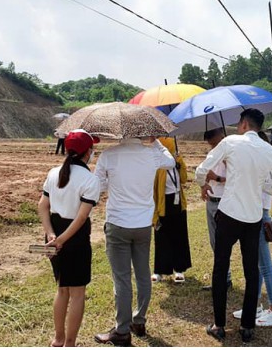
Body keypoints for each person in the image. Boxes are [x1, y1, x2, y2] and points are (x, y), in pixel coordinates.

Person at [196, 109, 272, 343]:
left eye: (239, 123)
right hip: (253, 218)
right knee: (251, 271)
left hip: (228, 214)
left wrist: (203, 185)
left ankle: (219, 325)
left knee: (220, 267)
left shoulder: (231, 142)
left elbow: (201, 170)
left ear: (244, 124)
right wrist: (257, 184)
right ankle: (247, 327)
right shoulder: (270, 151)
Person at [93, 136, 175, 346]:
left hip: (118, 222)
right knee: (142, 274)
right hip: (142, 224)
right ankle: (139, 320)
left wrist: (112, 181)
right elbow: (171, 161)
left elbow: (99, 185)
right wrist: (156, 142)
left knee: (121, 278)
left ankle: (122, 330)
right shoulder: (152, 154)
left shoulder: (109, 154)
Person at [37, 129, 101, 347]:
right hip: (75, 238)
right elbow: (82, 217)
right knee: (77, 293)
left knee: (61, 288)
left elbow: (42, 206)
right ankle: (70, 343)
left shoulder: (53, 173)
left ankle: (58, 339)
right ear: (88, 152)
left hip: (53, 235)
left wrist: (51, 234)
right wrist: (62, 239)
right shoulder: (91, 180)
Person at [232, 131, 272, 327]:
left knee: (265, 266)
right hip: (255, 213)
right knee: (256, 265)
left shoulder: (267, 163)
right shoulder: (266, 160)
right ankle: (254, 306)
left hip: (261, 214)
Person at [151, 137, 192, 284]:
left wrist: (179, 162)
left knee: (179, 236)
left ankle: (179, 270)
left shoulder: (177, 162)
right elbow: (154, 191)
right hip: (163, 205)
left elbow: (184, 180)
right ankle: (160, 271)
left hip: (178, 204)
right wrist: (154, 214)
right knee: (162, 238)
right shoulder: (158, 165)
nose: (172, 151)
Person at [200, 128, 231, 291]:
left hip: (223, 202)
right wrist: (204, 184)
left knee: (222, 243)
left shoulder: (229, 155)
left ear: (221, 137)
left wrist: (216, 178)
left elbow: (235, 178)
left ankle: (223, 280)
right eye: (211, 144)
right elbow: (205, 173)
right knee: (214, 242)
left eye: (214, 143)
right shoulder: (212, 154)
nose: (213, 147)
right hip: (211, 200)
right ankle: (224, 278)